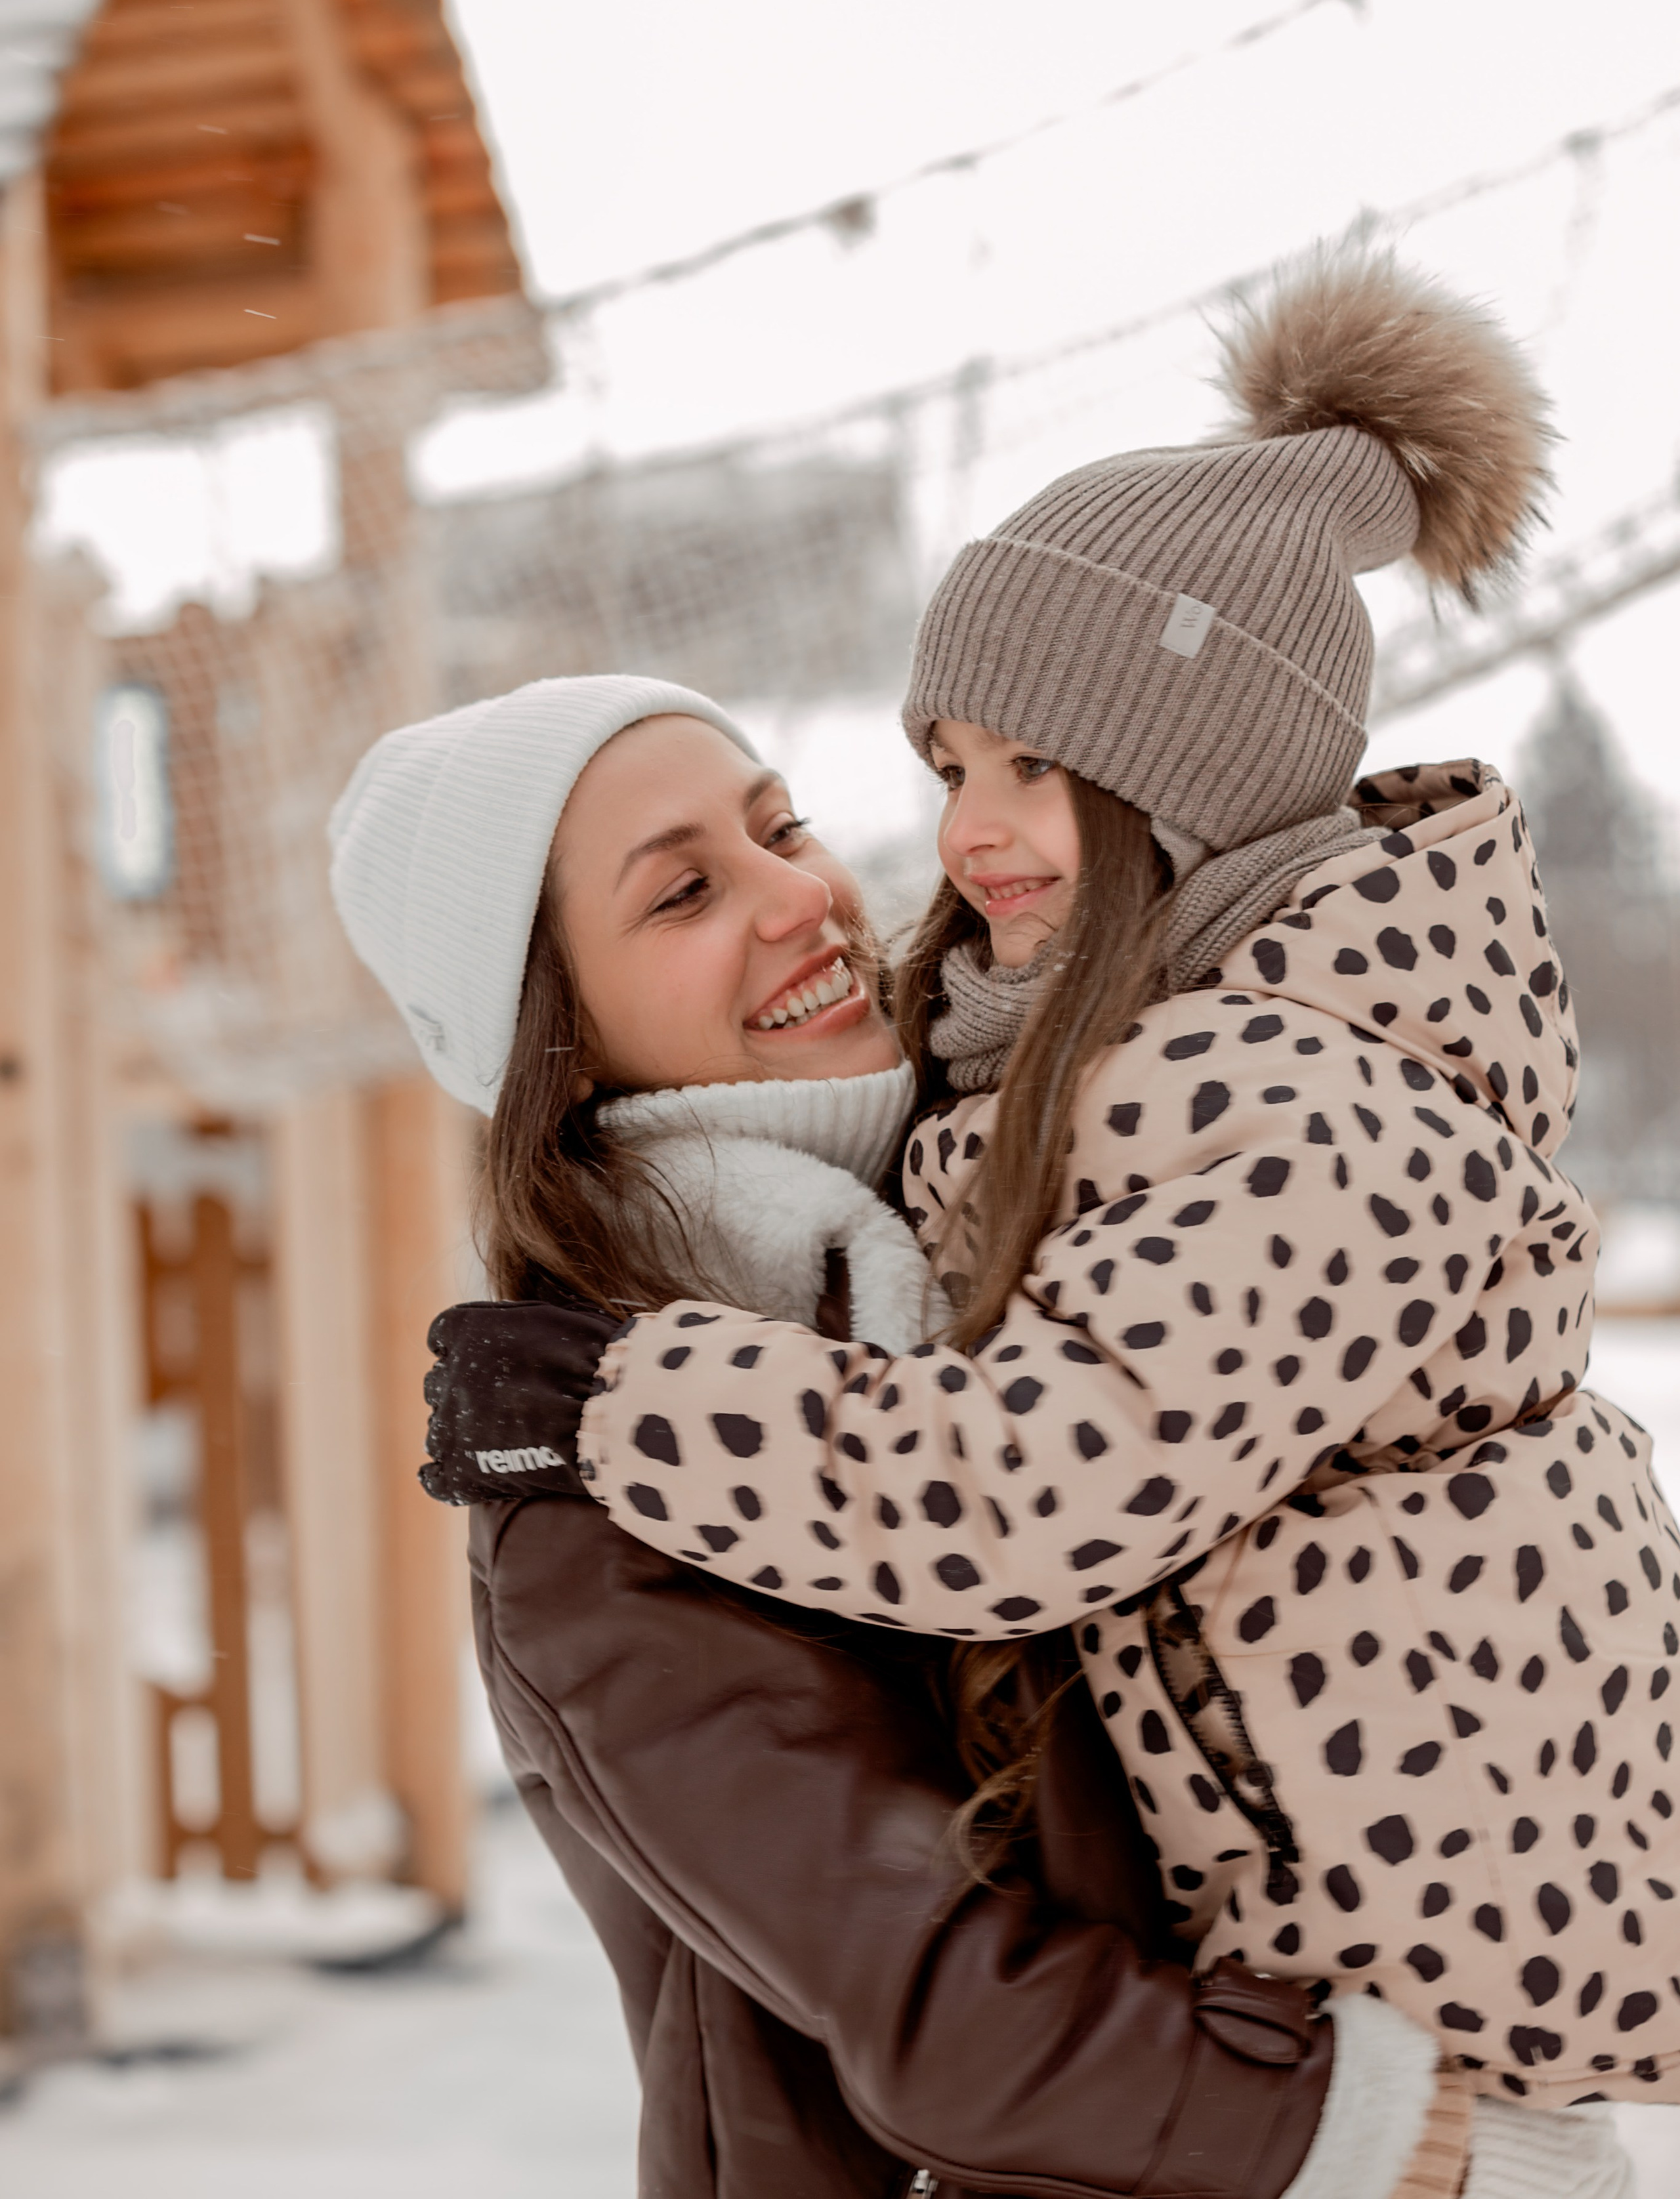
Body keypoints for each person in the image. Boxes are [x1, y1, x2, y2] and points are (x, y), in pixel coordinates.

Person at [561, 257, 1678, 2120]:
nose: (967, 832)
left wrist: (636, 1401)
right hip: (1336, 1937)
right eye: (949, 765)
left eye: (1035, 767)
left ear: (1198, 779)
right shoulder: (1118, 1055)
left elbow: (1045, 1484)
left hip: (1476, 1963)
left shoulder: (1317, 1105)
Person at [331, 661, 1624, 2194]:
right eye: (682, 893)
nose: (800, 896)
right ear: (553, 1031)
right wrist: (1419, 2141)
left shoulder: (1020, 1237)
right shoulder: (605, 1484)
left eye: (779, 828)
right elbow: (952, 2021)